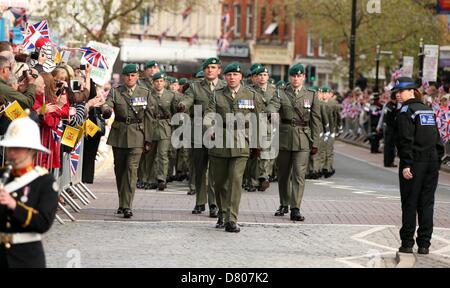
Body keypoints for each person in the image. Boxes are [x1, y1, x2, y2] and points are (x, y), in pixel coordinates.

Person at [204, 63, 260, 232]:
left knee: (235, 181)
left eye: (235, 74)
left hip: (241, 143)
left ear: (241, 77)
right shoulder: (216, 94)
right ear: (224, 77)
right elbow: (208, 114)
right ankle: (222, 213)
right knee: (220, 183)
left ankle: (231, 219)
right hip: (220, 143)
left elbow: (258, 119)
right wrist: (210, 128)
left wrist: (257, 143)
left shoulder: (251, 94)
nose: (232, 77)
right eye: (229, 75)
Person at [394, 77, 444, 255]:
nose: (398, 95)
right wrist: (437, 160)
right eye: (397, 92)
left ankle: (407, 243)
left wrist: (406, 164)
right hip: (431, 163)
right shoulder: (427, 110)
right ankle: (424, 244)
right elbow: (437, 140)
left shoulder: (406, 111)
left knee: (410, 203)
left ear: (412, 91)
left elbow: (405, 140)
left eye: (401, 91)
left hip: (414, 162)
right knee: (427, 203)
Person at [0, 117, 59, 268]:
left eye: (18, 148)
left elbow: (43, 223)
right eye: (10, 148)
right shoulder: (2, 177)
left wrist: (14, 205)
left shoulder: (45, 182)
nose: (12, 153)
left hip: (26, 257)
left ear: (31, 150)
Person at [267, 63, 321, 221]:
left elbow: (316, 121)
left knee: (299, 175)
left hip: (303, 139)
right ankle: (284, 203)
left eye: (299, 76)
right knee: (283, 175)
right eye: (293, 76)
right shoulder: (280, 93)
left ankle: (295, 207)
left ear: (303, 77)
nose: (296, 79)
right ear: (289, 77)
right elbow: (272, 106)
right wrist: (271, 113)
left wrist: (315, 142)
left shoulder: (311, 95)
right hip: (284, 137)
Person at [102, 64, 151, 218]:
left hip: (137, 134)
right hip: (120, 134)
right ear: (123, 76)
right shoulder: (116, 92)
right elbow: (107, 104)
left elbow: (149, 117)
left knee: (131, 170)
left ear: (137, 76)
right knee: (120, 170)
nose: (130, 78)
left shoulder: (145, 92)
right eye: (128, 75)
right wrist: (106, 110)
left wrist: (148, 139)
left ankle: (127, 206)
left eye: (133, 75)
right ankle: (122, 201)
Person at [178, 58, 225, 217]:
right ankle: (200, 201)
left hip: (218, 133)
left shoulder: (225, 87)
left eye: (213, 67)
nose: (210, 70)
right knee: (199, 169)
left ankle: (213, 204)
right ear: (204, 71)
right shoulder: (195, 87)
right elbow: (187, 100)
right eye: (207, 68)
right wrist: (182, 105)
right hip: (198, 133)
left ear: (219, 70)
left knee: (214, 171)